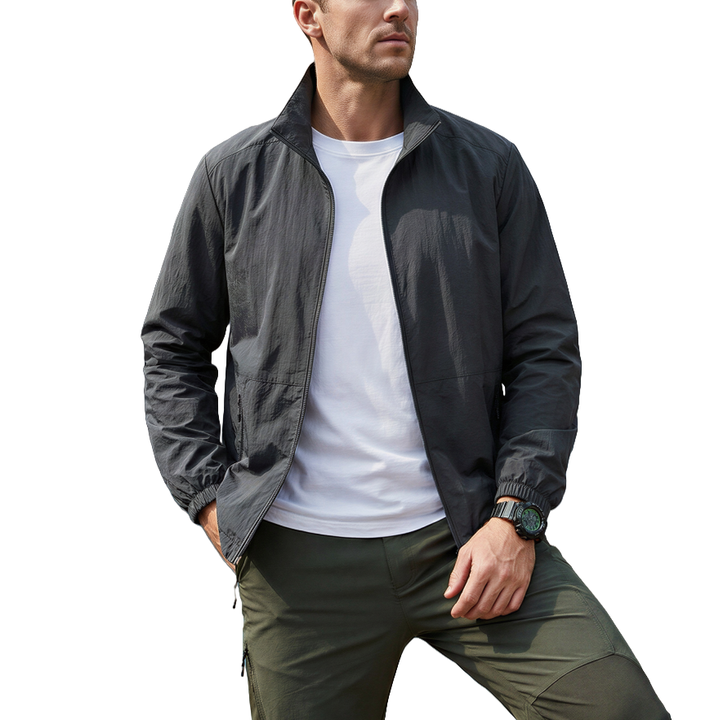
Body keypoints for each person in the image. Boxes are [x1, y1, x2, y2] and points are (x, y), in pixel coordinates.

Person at [142, 1, 670, 718]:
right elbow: (172, 345)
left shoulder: (486, 167)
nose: (399, 8)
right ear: (308, 14)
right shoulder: (234, 175)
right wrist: (209, 498)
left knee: (617, 708)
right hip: (299, 563)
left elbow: (545, 351)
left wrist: (517, 515)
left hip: (467, 531)